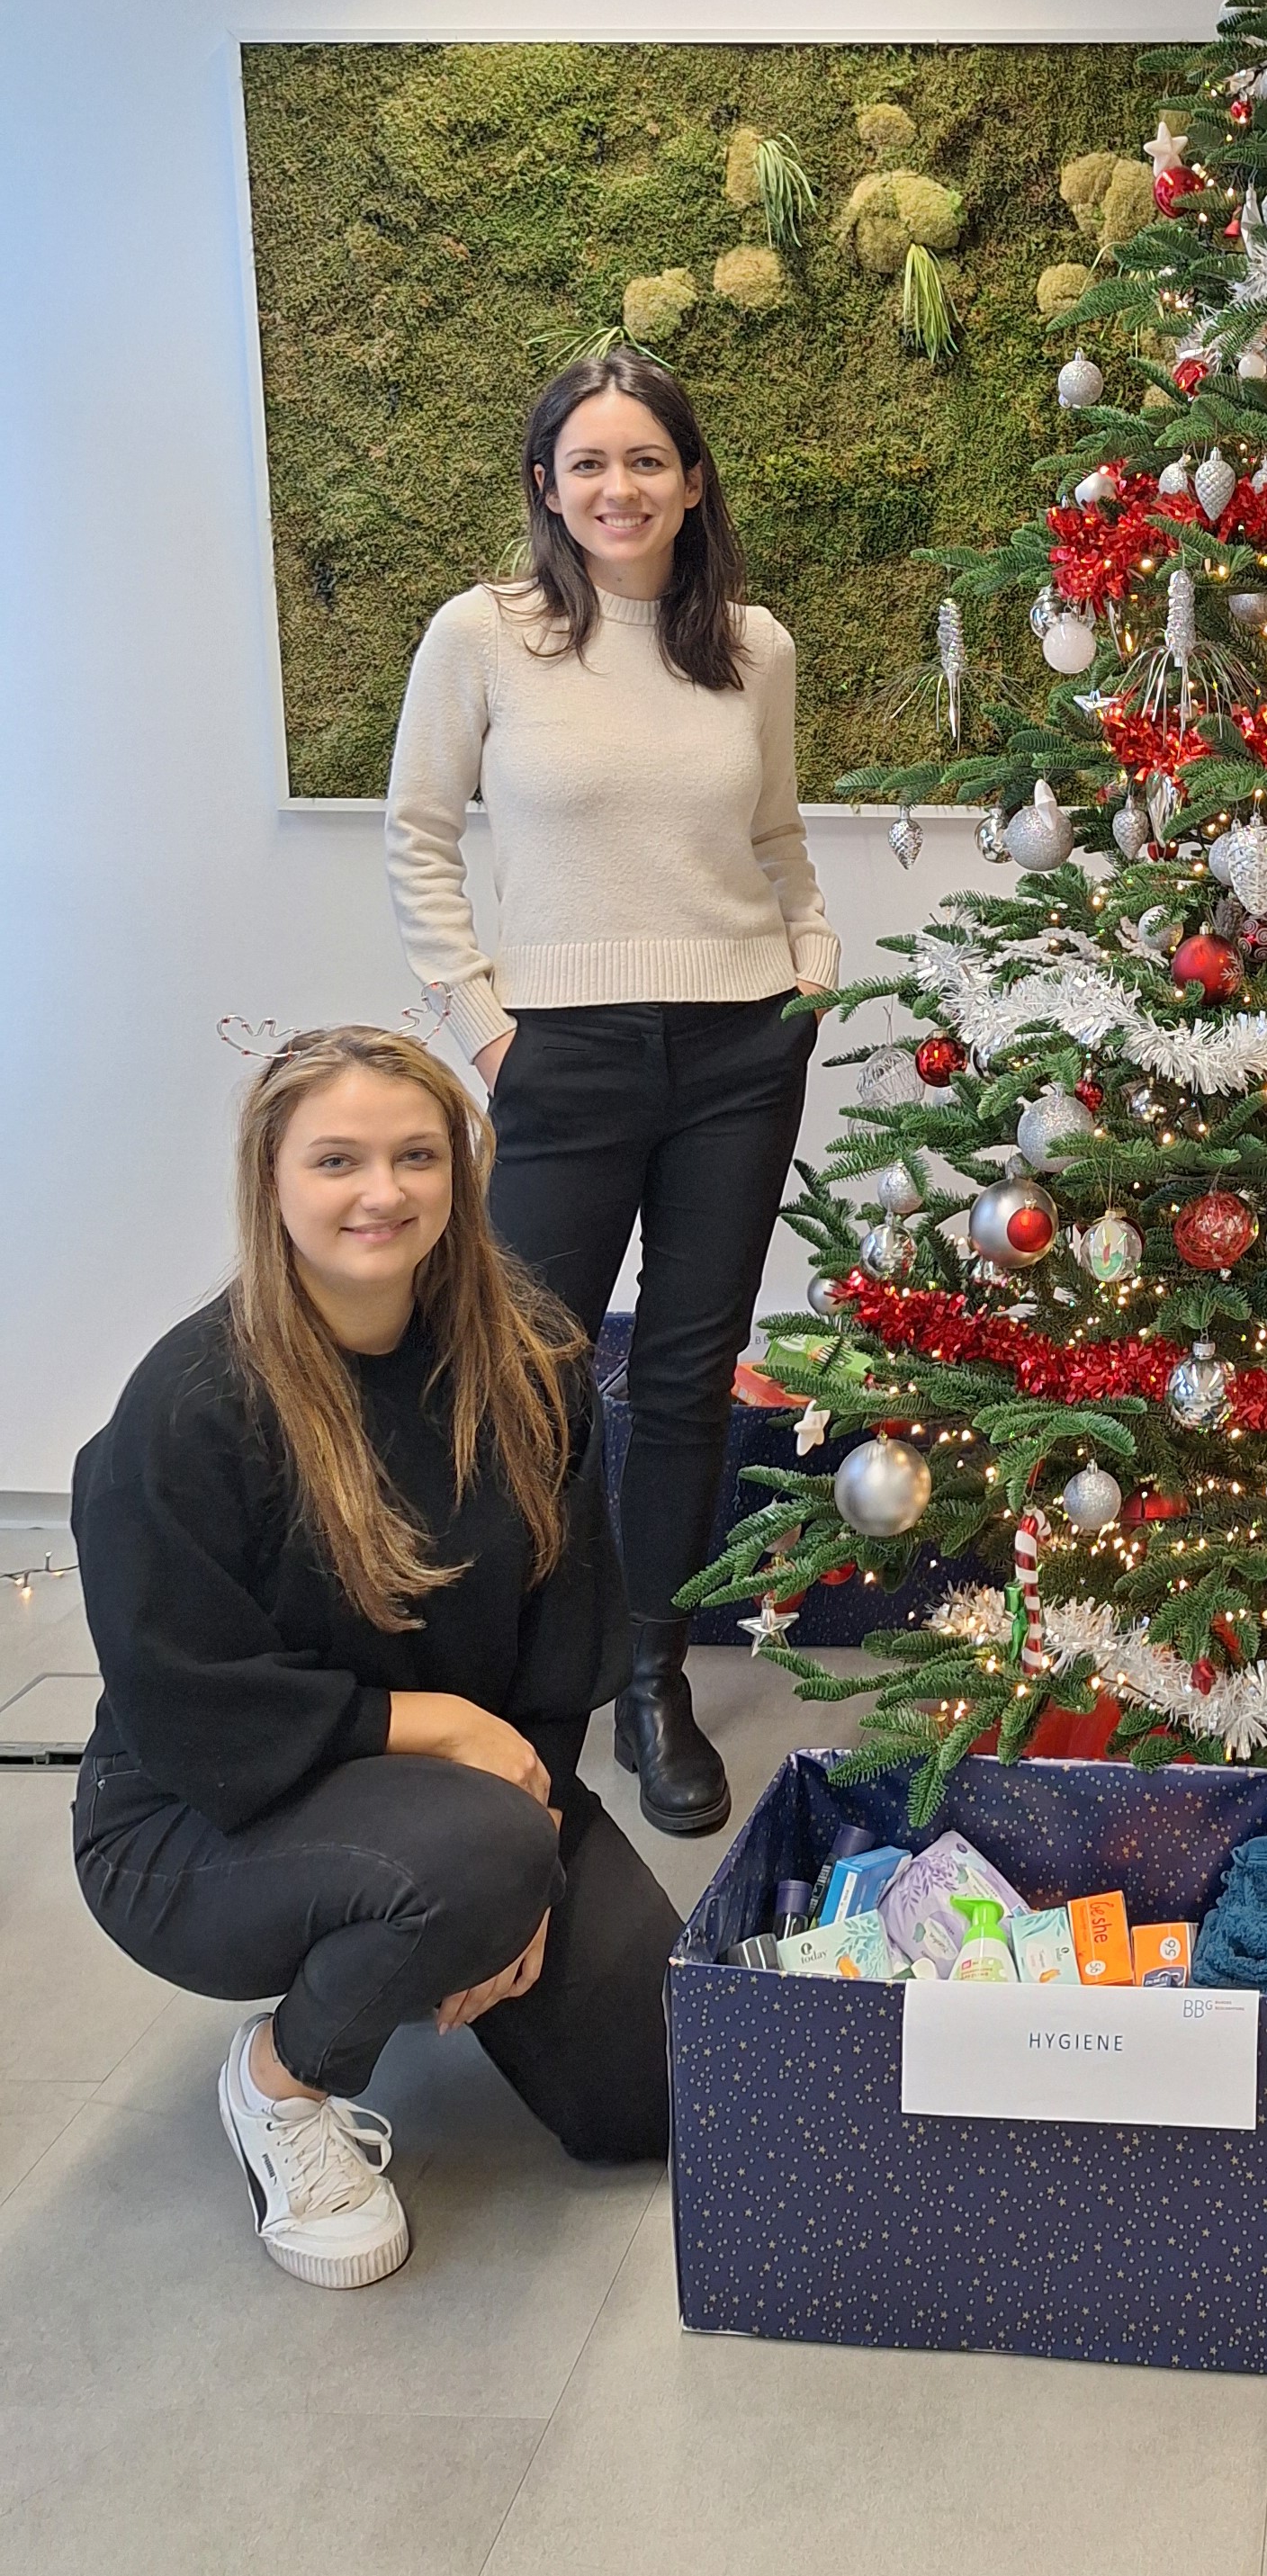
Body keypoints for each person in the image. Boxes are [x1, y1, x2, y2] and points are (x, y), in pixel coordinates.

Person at [69, 1028, 676, 2293]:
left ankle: (436, 1907)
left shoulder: (532, 1364)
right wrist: (445, 1740)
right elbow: (190, 1706)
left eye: (414, 1155)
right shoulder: (190, 1404)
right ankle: (281, 2083)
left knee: (654, 2091)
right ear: (272, 1179)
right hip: (187, 1818)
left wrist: (531, 1854)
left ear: (459, 1175)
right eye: (336, 1158)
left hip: (467, 1801)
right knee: (481, 1859)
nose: (381, 1191)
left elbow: (564, 1651)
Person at [385, 351, 840, 1834]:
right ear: (546, 485)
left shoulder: (751, 647)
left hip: (736, 1050)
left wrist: (809, 968)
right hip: (561, 1052)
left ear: (692, 480)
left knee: (691, 1377)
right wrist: (486, 1024)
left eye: (647, 460)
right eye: (589, 463)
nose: (619, 488)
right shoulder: (483, 635)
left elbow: (775, 833)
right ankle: (520, 1686)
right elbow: (417, 835)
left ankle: (653, 1681)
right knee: (524, 1373)